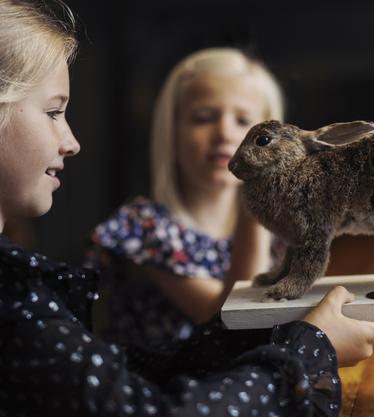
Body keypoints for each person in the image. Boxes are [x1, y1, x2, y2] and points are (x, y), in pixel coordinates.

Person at [0, 1, 374, 417]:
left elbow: (113, 373)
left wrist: (287, 335)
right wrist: (306, 352)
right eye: (55, 112)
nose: (72, 142)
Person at [88, 48, 285, 346]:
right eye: (204, 118)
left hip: (245, 386)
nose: (225, 134)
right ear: (173, 131)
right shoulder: (144, 225)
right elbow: (231, 319)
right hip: (163, 389)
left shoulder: (277, 234)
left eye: (244, 121)